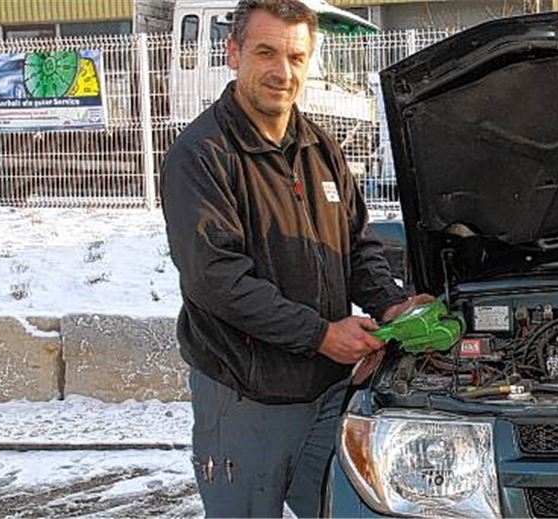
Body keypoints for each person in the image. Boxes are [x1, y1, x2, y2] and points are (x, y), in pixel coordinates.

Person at [160, 0, 430, 516]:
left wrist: (390, 306)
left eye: (296, 57)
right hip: (246, 395)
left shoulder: (319, 148)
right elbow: (216, 280)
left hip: (327, 393)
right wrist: (321, 335)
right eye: (266, 53)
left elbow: (357, 247)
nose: (283, 72)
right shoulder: (202, 155)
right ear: (233, 53)